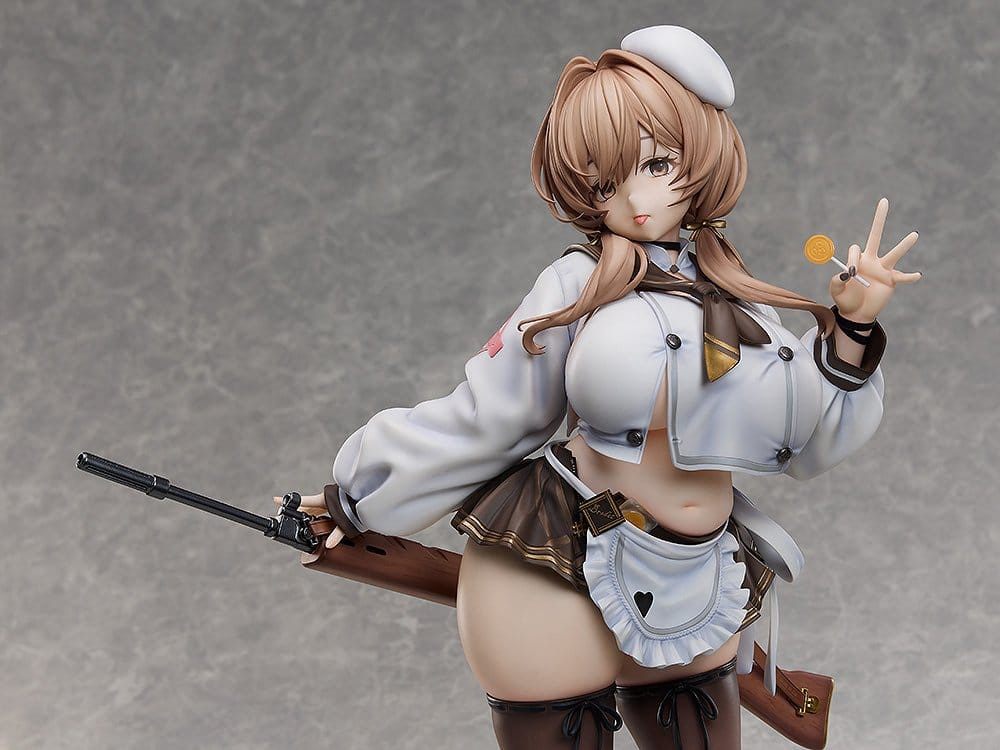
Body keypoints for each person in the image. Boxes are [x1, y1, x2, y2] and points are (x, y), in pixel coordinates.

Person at [285, 25, 920, 750]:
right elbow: (490, 415)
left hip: (700, 568)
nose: (637, 200)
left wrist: (852, 329)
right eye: (605, 183)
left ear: (702, 153)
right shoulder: (576, 285)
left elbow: (806, 436)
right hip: (562, 562)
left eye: (657, 164)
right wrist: (359, 494)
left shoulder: (739, 298)